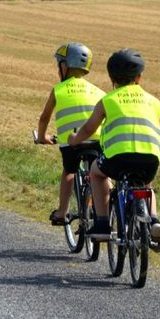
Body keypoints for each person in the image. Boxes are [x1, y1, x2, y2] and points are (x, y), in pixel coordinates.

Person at [69, 49, 160, 249]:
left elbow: (89, 128)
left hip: (118, 158)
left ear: (112, 78)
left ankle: (102, 224)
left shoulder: (108, 100)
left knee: (96, 174)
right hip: (149, 159)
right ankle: (155, 221)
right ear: (139, 77)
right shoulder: (153, 101)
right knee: (146, 184)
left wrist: (75, 139)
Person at [36, 43, 105, 226]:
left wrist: (42, 137)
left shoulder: (58, 90)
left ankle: (62, 211)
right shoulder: (98, 91)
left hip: (71, 142)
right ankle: (106, 208)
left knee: (69, 171)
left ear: (65, 66)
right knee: (101, 173)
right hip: (97, 140)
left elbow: (44, 118)